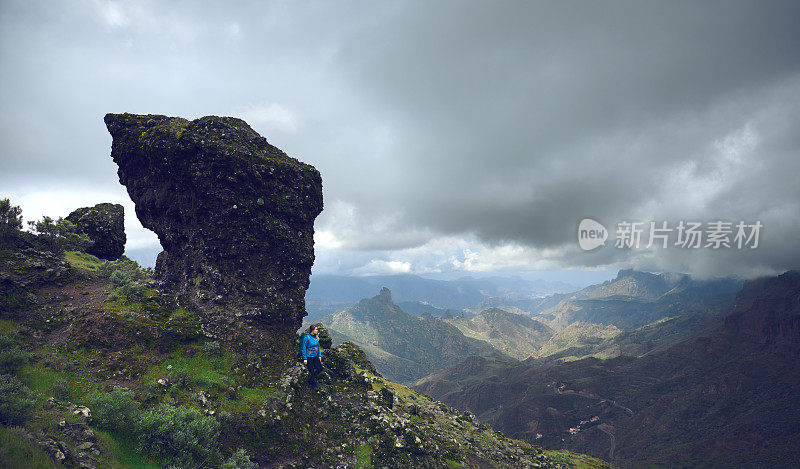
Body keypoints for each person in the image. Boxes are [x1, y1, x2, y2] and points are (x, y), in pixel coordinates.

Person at [301, 324, 323, 391]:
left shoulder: (316, 337)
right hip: (309, 357)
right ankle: (314, 385)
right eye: (316, 329)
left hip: (315, 357)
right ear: (312, 330)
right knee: (311, 371)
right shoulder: (307, 337)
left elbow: (318, 347)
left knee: (320, 368)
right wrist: (305, 358)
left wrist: (319, 355)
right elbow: (303, 348)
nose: (317, 331)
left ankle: (310, 379)